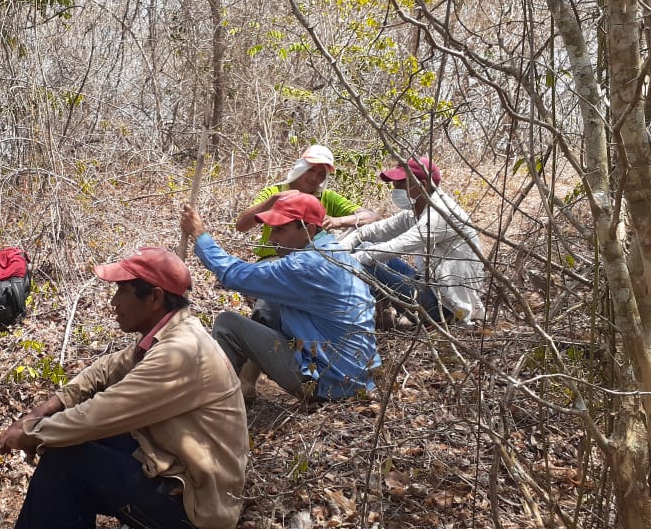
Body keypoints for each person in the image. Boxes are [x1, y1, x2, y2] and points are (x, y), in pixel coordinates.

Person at [0, 247, 247, 529]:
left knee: (64, 455)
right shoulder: (173, 332)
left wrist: (32, 433)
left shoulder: (179, 353)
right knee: (69, 440)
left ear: (155, 298)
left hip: (198, 506)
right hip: (180, 466)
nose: (114, 302)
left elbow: (98, 415)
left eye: (122, 291)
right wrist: (47, 407)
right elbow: (106, 368)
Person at [181, 192, 379, 403]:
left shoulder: (306, 266)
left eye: (280, 229)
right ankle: (244, 382)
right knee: (269, 301)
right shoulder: (335, 252)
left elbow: (234, 275)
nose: (272, 238)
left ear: (309, 229)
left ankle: (216, 404)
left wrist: (201, 236)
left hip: (331, 384)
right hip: (359, 378)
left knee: (227, 323)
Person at [235, 145, 378, 330]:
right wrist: (273, 201)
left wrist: (338, 220)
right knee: (277, 283)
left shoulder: (326, 197)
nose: (314, 178)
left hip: (315, 260)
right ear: (300, 168)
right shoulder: (274, 192)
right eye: (311, 170)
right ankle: (264, 332)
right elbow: (242, 225)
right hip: (275, 258)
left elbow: (371, 216)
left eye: (321, 174)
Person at [341, 157, 486, 327]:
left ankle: (370, 317)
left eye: (402, 183)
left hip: (446, 305)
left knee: (366, 260)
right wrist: (341, 248)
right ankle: (384, 314)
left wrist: (349, 259)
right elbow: (374, 230)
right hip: (427, 284)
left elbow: (399, 245)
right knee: (364, 246)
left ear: (422, 185)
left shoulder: (441, 214)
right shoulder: (415, 211)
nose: (395, 188)